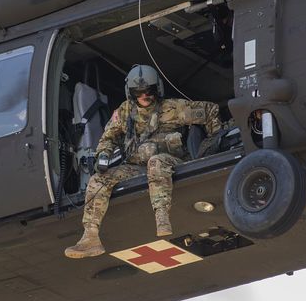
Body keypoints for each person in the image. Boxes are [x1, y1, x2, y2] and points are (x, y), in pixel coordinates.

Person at [64, 64, 221, 259]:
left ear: (158, 90)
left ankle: (162, 217)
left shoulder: (173, 108)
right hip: (137, 167)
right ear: (130, 94)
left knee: (155, 161)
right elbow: (108, 137)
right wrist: (103, 155)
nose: (144, 96)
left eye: (149, 91)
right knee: (98, 180)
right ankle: (90, 237)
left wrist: (211, 146)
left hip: (170, 161)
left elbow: (211, 110)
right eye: (138, 93)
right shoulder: (124, 112)